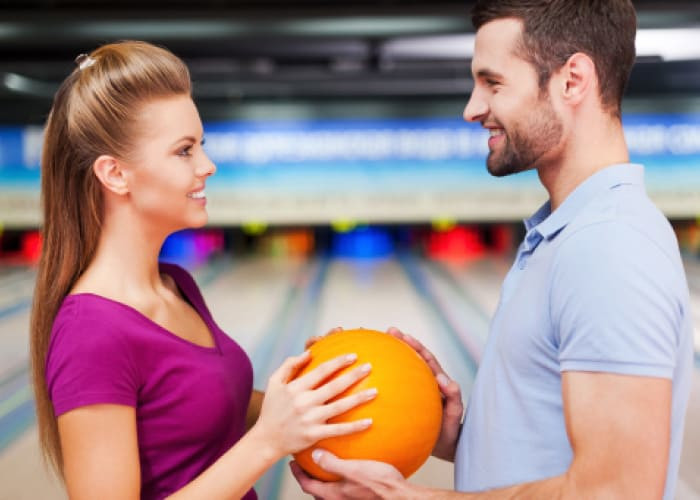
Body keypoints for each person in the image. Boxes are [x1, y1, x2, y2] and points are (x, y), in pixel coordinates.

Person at [291, 1, 694, 499]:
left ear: (573, 80)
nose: (472, 108)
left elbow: (617, 490)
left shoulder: (608, 248)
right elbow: (557, 452)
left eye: (493, 83)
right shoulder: (566, 234)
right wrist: (460, 434)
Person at [29, 40, 378, 500]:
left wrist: (310, 391)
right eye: (184, 151)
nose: (208, 166)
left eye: (202, 146)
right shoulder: (91, 333)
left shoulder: (177, 285)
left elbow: (204, 410)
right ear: (115, 174)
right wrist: (269, 440)